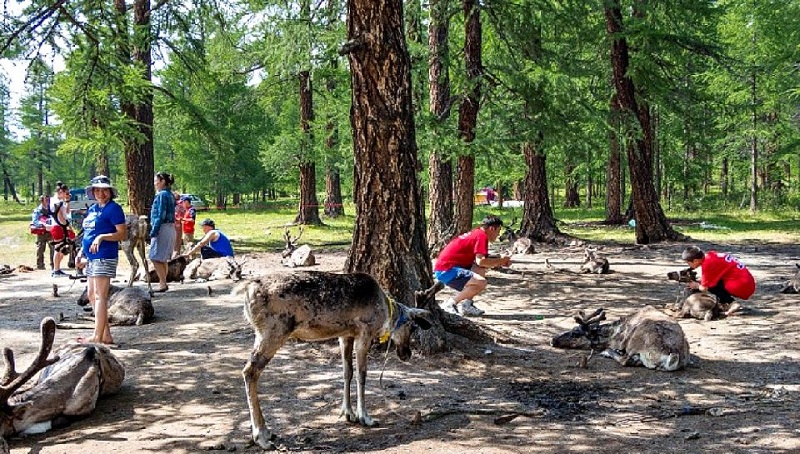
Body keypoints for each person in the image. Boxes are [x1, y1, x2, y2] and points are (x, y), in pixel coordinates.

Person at [76, 175, 127, 345]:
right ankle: (105, 335)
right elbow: (88, 234)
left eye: (104, 190)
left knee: (100, 296)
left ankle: (97, 337)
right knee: (91, 295)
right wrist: (81, 252)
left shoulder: (114, 209)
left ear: (110, 192)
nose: (101, 193)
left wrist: (102, 237)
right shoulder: (93, 210)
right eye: (97, 190)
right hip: (91, 257)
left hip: (104, 256)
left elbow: (122, 233)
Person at [433, 215, 512, 316]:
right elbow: (481, 261)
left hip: (446, 269)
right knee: (481, 282)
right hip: (447, 271)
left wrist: (501, 260)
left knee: (480, 270)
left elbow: (481, 262)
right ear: (492, 228)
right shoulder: (482, 236)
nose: (498, 235)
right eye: (498, 231)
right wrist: (501, 261)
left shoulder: (478, 233)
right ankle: (450, 304)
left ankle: (467, 305)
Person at [682, 245, 756, 316]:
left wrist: (697, 285)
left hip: (741, 285)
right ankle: (724, 304)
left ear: (695, 261)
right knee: (712, 281)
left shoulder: (707, 264)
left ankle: (732, 303)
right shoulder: (711, 255)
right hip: (748, 282)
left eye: (688, 263)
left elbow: (704, 288)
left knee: (711, 285)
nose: (689, 265)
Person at [149, 172, 177, 292]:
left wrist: (154, 230)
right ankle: (163, 282)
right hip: (170, 227)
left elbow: (161, 214)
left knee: (154, 257)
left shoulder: (161, 195)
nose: (155, 183)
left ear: (163, 182)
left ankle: (162, 283)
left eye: (156, 181)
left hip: (162, 228)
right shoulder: (170, 194)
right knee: (163, 258)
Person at [50, 181, 76, 277]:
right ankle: (56, 270)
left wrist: (68, 201)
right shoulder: (56, 202)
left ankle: (57, 268)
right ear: (61, 192)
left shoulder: (61, 202)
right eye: (66, 193)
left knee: (62, 249)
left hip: (61, 226)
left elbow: (67, 212)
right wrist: (66, 227)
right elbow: (60, 216)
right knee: (59, 248)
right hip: (58, 226)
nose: (67, 195)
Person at [30, 194, 54, 270]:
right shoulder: (37, 210)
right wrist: (43, 224)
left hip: (51, 232)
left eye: (48, 200)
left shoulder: (52, 209)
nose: (48, 201)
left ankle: (54, 264)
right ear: (41, 201)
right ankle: (40, 265)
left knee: (53, 248)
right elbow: (35, 221)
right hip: (41, 233)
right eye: (46, 200)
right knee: (40, 249)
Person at [172, 191, 185, 258]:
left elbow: (181, 216)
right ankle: (175, 254)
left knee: (177, 241)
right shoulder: (178, 205)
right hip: (175, 225)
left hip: (177, 225)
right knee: (176, 242)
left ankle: (176, 255)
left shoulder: (179, 205)